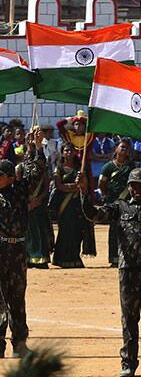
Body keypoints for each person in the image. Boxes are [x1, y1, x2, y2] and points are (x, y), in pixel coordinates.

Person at [81, 167, 141, 377]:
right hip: (128, 271)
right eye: (132, 185)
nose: (135, 189)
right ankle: (128, 361)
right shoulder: (120, 207)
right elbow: (93, 214)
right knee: (129, 318)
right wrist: (84, 192)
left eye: (140, 185)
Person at [0, 160, 30, 358]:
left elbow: (35, 173)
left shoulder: (19, 191)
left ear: (11, 176)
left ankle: (19, 344)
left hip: (17, 249)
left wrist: (35, 149)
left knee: (17, 299)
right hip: (0, 248)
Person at [96, 140, 137, 267]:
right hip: (113, 203)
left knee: (129, 230)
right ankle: (114, 258)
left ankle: (128, 258)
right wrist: (109, 196)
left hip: (128, 204)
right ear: (116, 149)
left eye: (127, 148)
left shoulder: (132, 167)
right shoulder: (108, 167)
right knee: (114, 231)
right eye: (122, 147)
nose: (124, 149)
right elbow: (101, 184)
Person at [49, 143, 86, 269]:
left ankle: (74, 258)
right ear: (62, 153)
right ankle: (60, 258)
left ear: (75, 152)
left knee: (76, 231)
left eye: (71, 151)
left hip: (76, 204)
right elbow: (58, 185)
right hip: (63, 205)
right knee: (64, 230)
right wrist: (72, 187)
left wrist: (80, 183)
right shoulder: (59, 168)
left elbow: (84, 185)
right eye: (66, 151)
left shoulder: (79, 168)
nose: (68, 153)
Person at [19, 129, 51, 269]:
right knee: (27, 232)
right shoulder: (20, 168)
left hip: (39, 204)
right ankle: (28, 258)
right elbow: (19, 187)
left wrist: (38, 200)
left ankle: (41, 258)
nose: (29, 153)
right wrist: (26, 202)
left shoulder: (41, 166)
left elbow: (45, 186)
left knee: (40, 230)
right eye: (27, 151)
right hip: (26, 204)